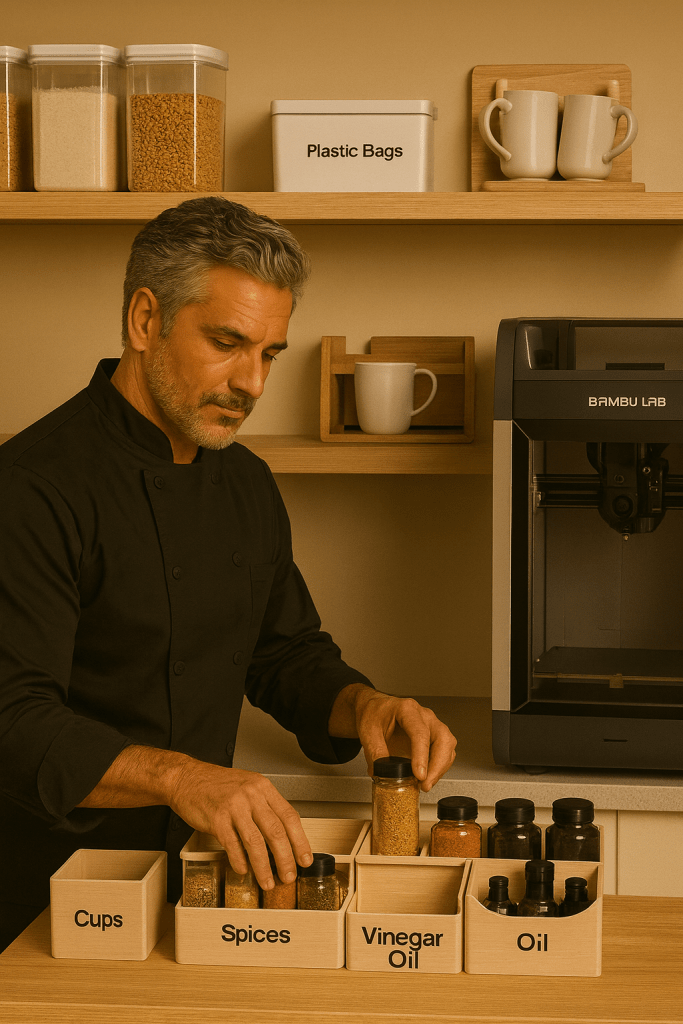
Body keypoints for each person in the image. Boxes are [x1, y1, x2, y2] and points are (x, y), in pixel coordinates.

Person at [0, 197, 456, 951]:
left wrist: (363, 704)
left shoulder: (245, 482)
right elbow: (11, 720)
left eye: (270, 352)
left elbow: (282, 654)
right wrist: (183, 778)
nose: (252, 383)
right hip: (40, 897)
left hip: (205, 886)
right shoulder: (31, 488)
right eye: (226, 342)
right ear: (145, 322)